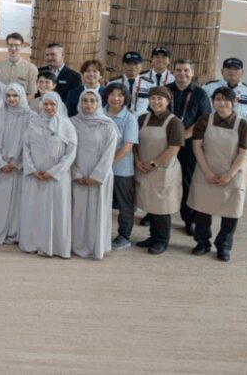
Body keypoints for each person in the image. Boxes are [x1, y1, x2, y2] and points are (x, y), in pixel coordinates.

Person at [189, 86, 247, 262]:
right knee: (202, 209)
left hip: (232, 173)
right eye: (218, 99)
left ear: (234, 101)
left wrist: (229, 175)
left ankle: (224, 246)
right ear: (213, 102)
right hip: (206, 171)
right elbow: (197, 147)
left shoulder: (243, 125)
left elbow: (243, 153)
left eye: (226, 99)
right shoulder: (204, 121)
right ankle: (202, 242)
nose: (222, 103)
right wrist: (207, 172)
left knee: (231, 212)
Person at [18, 92, 77, 258]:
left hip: (57, 178)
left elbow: (71, 152)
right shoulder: (33, 123)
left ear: (58, 106)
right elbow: (26, 147)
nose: (49, 108)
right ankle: (33, 243)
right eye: (46, 104)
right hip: (35, 176)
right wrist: (32, 169)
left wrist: (53, 172)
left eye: (53, 104)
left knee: (56, 211)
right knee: (34, 209)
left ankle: (55, 246)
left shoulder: (67, 125)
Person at [133, 86, 184, 255]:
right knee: (151, 205)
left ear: (168, 101)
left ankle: (162, 240)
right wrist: (137, 160)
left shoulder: (174, 122)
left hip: (163, 170)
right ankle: (153, 236)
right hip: (144, 168)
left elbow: (173, 148)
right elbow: (135, 143)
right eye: (152, 98)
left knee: (162, 208)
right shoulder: (142, 119)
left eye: (160, 99)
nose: (155, 102)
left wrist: (153, 164)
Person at [70, 89, 120, 260]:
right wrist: (76, 173)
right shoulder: (71, 123)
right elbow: (68, 150)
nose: (88, 104)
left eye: (92, 101)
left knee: (97, 211)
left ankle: (96, 246)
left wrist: (96, 176)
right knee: (78, 211)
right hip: (78, 175)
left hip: (100, 176)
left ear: (98, 103)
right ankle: (76, 245)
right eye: (85, 100)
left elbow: (109, 153)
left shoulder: (108, 125)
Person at [167, 58, 212, 235]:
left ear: (192, 73)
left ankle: (189, 219)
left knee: (187, 182)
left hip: (189, 146)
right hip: (166, 144)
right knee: (163, 180)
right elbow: (156, 113)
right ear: (173, 72)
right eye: (179, 70)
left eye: (186, 70)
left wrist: (181, 137)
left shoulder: (200, 94)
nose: (182, 73)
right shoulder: (166, 90)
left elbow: (203, 120)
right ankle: (155, 214)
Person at [0, 84, 32, 245]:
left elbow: (30, 143)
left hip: (19, 166)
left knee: (16, 202)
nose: (11, 99)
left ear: (21, 96)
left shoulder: (30, 116)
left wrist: (16, 162)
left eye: (15, 96)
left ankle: (13, 232)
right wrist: (0, 162)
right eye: (8, 95)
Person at [103, 83, 140, 251]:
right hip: (99, 167)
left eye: (120, 95)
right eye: (112, 94)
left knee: (125, 205)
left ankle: (124, 236)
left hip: (121, 169)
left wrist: (106, 163)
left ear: (125, 98)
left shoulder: (129, 118)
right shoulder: (98, 113)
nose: (116, 98)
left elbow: (127, 147)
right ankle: (101, 233)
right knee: (101, 201)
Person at [107, 51, 153, 117]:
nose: (132, 66)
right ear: (123, 65)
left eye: (135, 63)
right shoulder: (112, 83)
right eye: (128, 63)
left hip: (141, 120)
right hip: (117, 119)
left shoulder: (150, 85)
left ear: (141, 65)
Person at [0, 33, 38, 98]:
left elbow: (31, 93)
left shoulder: (31, 68)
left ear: (22, 46)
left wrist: (22, 104)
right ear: (7, 45)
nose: (13, 48)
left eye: (16, 45)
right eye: (10, 45)